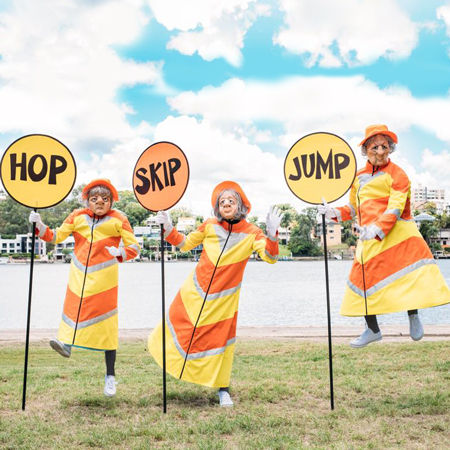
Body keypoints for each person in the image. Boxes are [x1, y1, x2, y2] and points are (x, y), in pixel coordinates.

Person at [148, 181, 283, 406]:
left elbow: (270, 257)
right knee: (179, 328)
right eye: (222, 201)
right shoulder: (209, 225)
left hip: (224, 301)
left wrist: (272, 234)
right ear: (217, 208)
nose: (227, 204)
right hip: (194, 294)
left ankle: (223, 389)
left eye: (231, 200)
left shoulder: (252, 233)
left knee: (222, 344)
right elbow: (183, 244)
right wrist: (168, 227)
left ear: (240, 205)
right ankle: (173, 366)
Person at [319, 124, 450, 348]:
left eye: (385, 146)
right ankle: (372, 329)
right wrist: (332, 214)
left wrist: (377, 228)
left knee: (408, 276)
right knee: (362, 282)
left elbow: (396, 208)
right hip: (369, 237)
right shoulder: (357, 177)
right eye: (375, 146)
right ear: (366, 149)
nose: (380, 151)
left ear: (391, 148)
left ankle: (413, 316)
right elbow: (352, 210)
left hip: (398, 234)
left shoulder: (398, 174)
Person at [29, 179, 140, 396]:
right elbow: (56, 236)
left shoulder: (119, 219)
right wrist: (38, 225)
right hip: (79, 275)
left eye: (105, 199)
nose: (100, 202)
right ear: (87, 200)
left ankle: (110, 376)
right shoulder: (77, 216)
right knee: (72, 313)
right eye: (94, 198)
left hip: (105, 281)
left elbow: (134, 246)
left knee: (107, 325)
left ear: (111, 201)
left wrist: (120, 253)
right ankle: (66, 345)